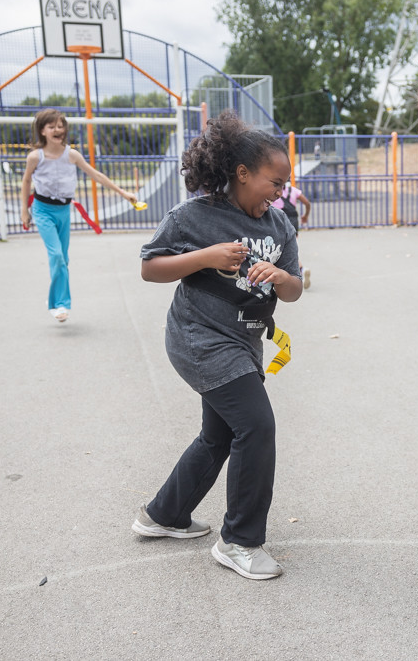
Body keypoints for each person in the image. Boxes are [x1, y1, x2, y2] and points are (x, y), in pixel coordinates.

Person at [131, 109, 302, 581]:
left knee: (220, 433)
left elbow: (294, 291)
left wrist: (283, 276)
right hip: (199, 338)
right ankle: (240, 542)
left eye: (284, 183)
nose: (280, 191)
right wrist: (206, 256)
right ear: (242, 174)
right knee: (256, 425)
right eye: (274, 180)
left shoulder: (279, 224)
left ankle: (163, 514)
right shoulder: (194, 217)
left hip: (245, 342)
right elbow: (150, 267)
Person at [20, 108, 136, 322]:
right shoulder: (35, 157)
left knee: (63, 258)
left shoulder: (71, 155)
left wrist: (122, 192)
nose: (58, 130)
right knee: (56, 256)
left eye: (61, 125)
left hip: (63, 210)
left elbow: (96, 175)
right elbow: (26, 181)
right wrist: (24, 211)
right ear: (42, 131)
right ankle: (61, 304)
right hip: (42, 210)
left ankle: (55, 299)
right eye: (52, 126)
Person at [271, 181, 312, 288]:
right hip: (293, 221)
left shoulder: (274, 190)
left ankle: (301, 269)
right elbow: (307, 203)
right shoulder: (294, 191)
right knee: (291, 246)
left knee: (283, 249)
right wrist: (305, 216)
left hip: (279, 220)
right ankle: (300, 270)